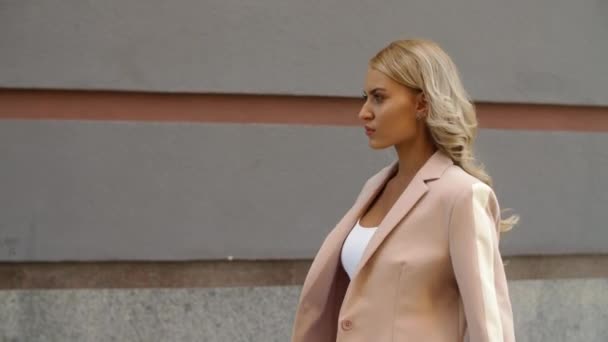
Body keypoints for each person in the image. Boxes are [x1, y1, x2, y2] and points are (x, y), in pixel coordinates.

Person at [291, 39, 518, 342]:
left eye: (379, 98)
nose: (364, 112)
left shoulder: (461, 195)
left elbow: (488, 326)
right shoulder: (375, 187)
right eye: (365, 97)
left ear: (422, 104)